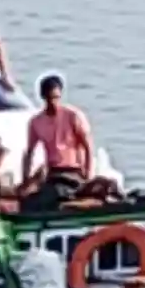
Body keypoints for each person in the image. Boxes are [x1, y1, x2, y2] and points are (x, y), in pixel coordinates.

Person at [20, 74, 95, 211]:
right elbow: (29, 152)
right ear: (43, 97)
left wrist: (88, 174)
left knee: (60, 194)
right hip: (54, 172)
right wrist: (25, 179)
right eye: (50, 98)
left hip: (74, 170)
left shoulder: (73, 116)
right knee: (32, 201)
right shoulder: (36, 122)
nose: (53, 102)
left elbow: (87, 146)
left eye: (56, 98)